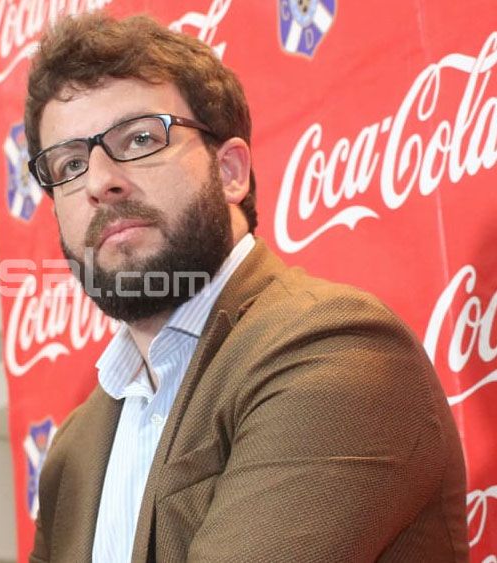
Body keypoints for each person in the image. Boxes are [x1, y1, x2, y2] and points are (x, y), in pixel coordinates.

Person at [24, 13, 468, 563]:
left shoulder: (335, 350)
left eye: (138, 138)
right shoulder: (72, 449)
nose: (97, 181)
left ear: (230, 170)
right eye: (68, 164)